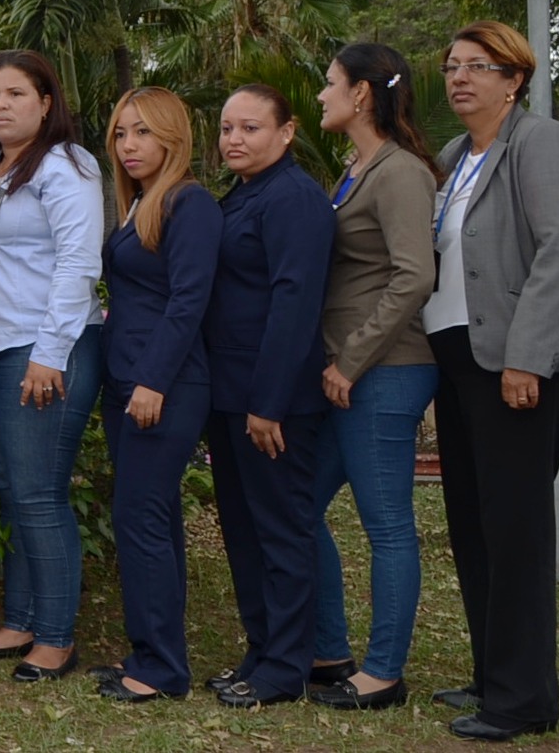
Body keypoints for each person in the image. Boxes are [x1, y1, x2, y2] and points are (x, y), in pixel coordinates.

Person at [424, 21, 559, 741]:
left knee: (515, 528)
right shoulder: (454, 155)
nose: (460, 77)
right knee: (474, 525)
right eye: (452, 66)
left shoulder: (543, 143)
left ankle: (524, 699)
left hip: (518, 364)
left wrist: (526, 358)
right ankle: (490, 672)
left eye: (479, 65)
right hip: (461, 363)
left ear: (515, 79)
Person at [0, 50, 103, 683]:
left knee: (38, 493)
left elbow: (77, 264)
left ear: (45, 102)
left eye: (14, 94)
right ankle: (19, 620)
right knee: (12, 492)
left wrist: (48, 353)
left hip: (45, 352)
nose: (0, 105)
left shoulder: (67, 165)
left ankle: (57, 638)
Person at [306, 44, 439, 711]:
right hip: (349, 373)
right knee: (299, 505)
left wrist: (351, 360)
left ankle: (383, 673)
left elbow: (414, 276)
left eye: (330, 84)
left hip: (384, 373)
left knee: (386, 526)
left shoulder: (400, 173)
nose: (321, 95)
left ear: (362, 95)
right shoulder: (357, 169)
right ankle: (330, 651)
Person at [201, 83, 334, 708]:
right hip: (231, 397)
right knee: (245, 532)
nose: (234, 139)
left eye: (250, 128)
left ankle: (286, 667)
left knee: (281, 533)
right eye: (227, 128)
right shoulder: (243, 195)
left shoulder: (295, 199)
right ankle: (261, 651)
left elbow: (294, 304)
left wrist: (269, 403)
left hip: (272, 402)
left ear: (287, 132)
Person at [88, 87, 220, 702]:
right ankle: (151, 653)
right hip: (127, 382)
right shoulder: (137, 202)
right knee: (152, 518)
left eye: (142, 132)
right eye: (120, 133)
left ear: (171, 137)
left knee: (138, 517)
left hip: (163, 384)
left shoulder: (189, 203)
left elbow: (189, 300)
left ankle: (163, 668)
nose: (129, 145)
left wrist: (153, 381)